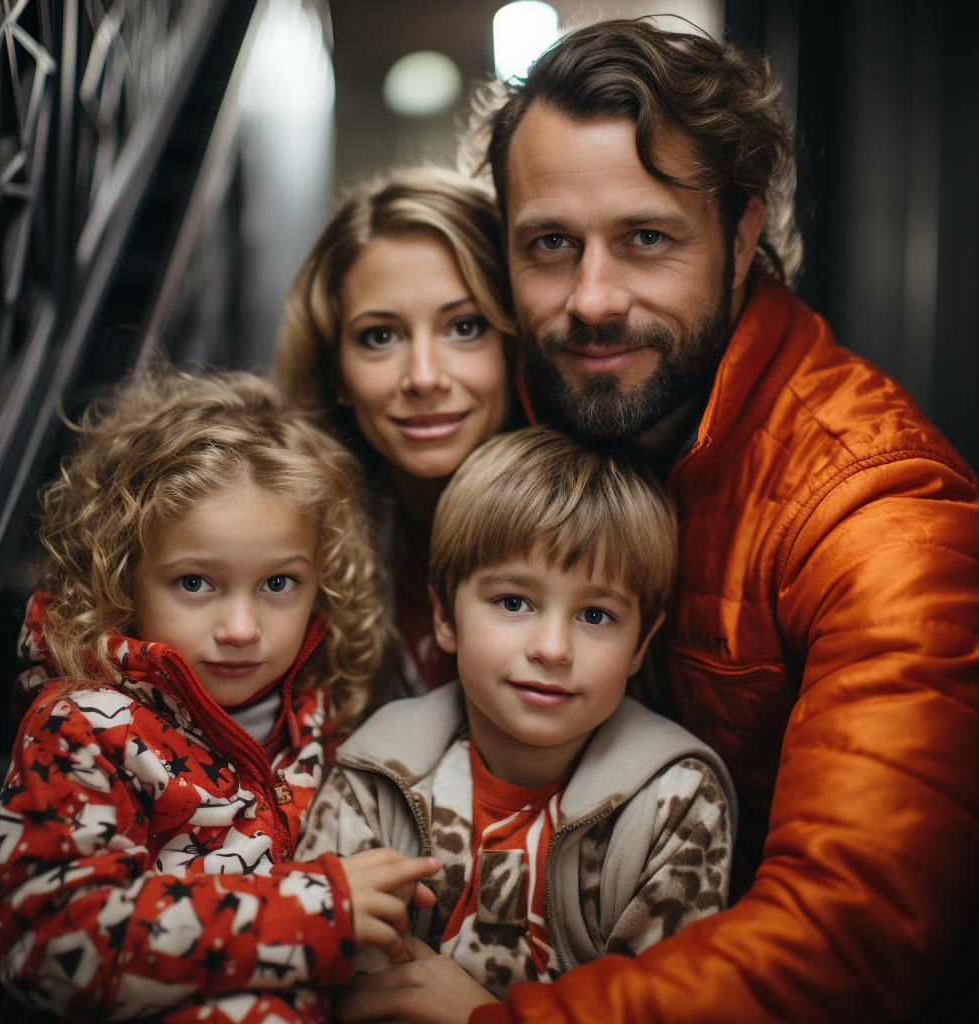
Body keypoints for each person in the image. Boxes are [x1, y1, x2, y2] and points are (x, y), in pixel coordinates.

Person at [335, 19, 979, 1024]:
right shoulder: (524, 415)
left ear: (740, 241)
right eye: (550, 245)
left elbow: (857, 928)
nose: (592, 300)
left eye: (646, 239)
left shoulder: (876, 510)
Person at [0, 367, 440, 1024]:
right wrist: (319, 910)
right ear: (123, 574)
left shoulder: (320, 714)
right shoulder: (83, 729)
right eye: (195, 583)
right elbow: (46, 939)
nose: (242, 630)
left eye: (279, 583)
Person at [299, 426, 736, 1004]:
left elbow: (664, 1012)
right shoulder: (373, 774)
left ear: (640, 645)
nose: (552, 648)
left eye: (597, 615)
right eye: (513, 602)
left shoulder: (675, 803)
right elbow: (319, 981)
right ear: (445, 616)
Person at [276, 168, 520, 694]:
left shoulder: (605, 512)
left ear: (515, 340)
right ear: (335, 368)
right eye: (380, 336)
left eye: (465, 327)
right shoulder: (290, 539)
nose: (424, 378)